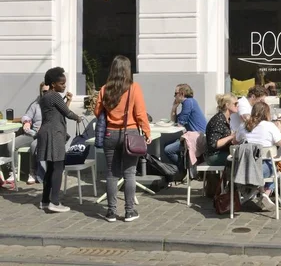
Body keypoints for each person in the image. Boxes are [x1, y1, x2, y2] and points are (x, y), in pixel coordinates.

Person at [95, 55, 152, 222]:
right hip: (131, 134)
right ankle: (129, 211)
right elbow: (140, 114)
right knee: (130, 174)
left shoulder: (105, 89)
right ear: (128, 70)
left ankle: (111, 211)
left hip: (109, 134)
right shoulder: (134, 88)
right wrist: (147, 132)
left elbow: (98, 112)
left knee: (111, 174)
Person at [36, 67, 82, 213]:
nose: (64, 86)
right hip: (54, 134)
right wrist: (78, 117)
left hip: (47, 133)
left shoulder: (45, 96)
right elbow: (67, 113)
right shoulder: (54, 96)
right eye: (62, 83)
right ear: (53, 83)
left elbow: (59, 112)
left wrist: (67, 102)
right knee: (58, 168)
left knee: (50, 168)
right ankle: (55, 202)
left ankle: (45, 200)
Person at [237, 101, 281, 211]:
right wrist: (279, 131)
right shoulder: (269, 126)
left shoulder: (243, 125)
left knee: (271, 162)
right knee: (279, 165)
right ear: (266, 113)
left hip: (242, 169)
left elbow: (234, 141)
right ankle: (266, 192)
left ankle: (256, 191)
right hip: (261, 170)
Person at [4, 82, 48, 186]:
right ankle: (13, 172)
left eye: (47, 91)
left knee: (34, 146)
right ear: (40, 92)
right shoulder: (36, 104)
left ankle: (32, 172)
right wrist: (27, 121)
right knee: (11, 145)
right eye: (43, 91)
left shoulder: (53, 104)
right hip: (32, 133)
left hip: (43, 135)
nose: (45, 93)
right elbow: (26, 116)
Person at [164, 84, 208, 166]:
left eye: (175, 94)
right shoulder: (191, 102)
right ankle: (183, 168)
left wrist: (177, 120)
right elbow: (175, 120)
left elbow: (180, 124)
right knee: (166, 144)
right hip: (194, 136)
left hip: (197, 138)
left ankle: (182, 170)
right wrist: (174, 108)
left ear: (182, 93)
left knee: (168, 149)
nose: (174, 96)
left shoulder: (188, 102)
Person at [205, 94, 240, 166]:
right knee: (240, 160)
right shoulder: (218, 120)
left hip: (223, 153)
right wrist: (231, 136)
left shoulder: (226, 119)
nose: (237, 105)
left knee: (243, 157)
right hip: (214, 156)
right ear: (227, 105)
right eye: (235, 104)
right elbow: (214, 144)